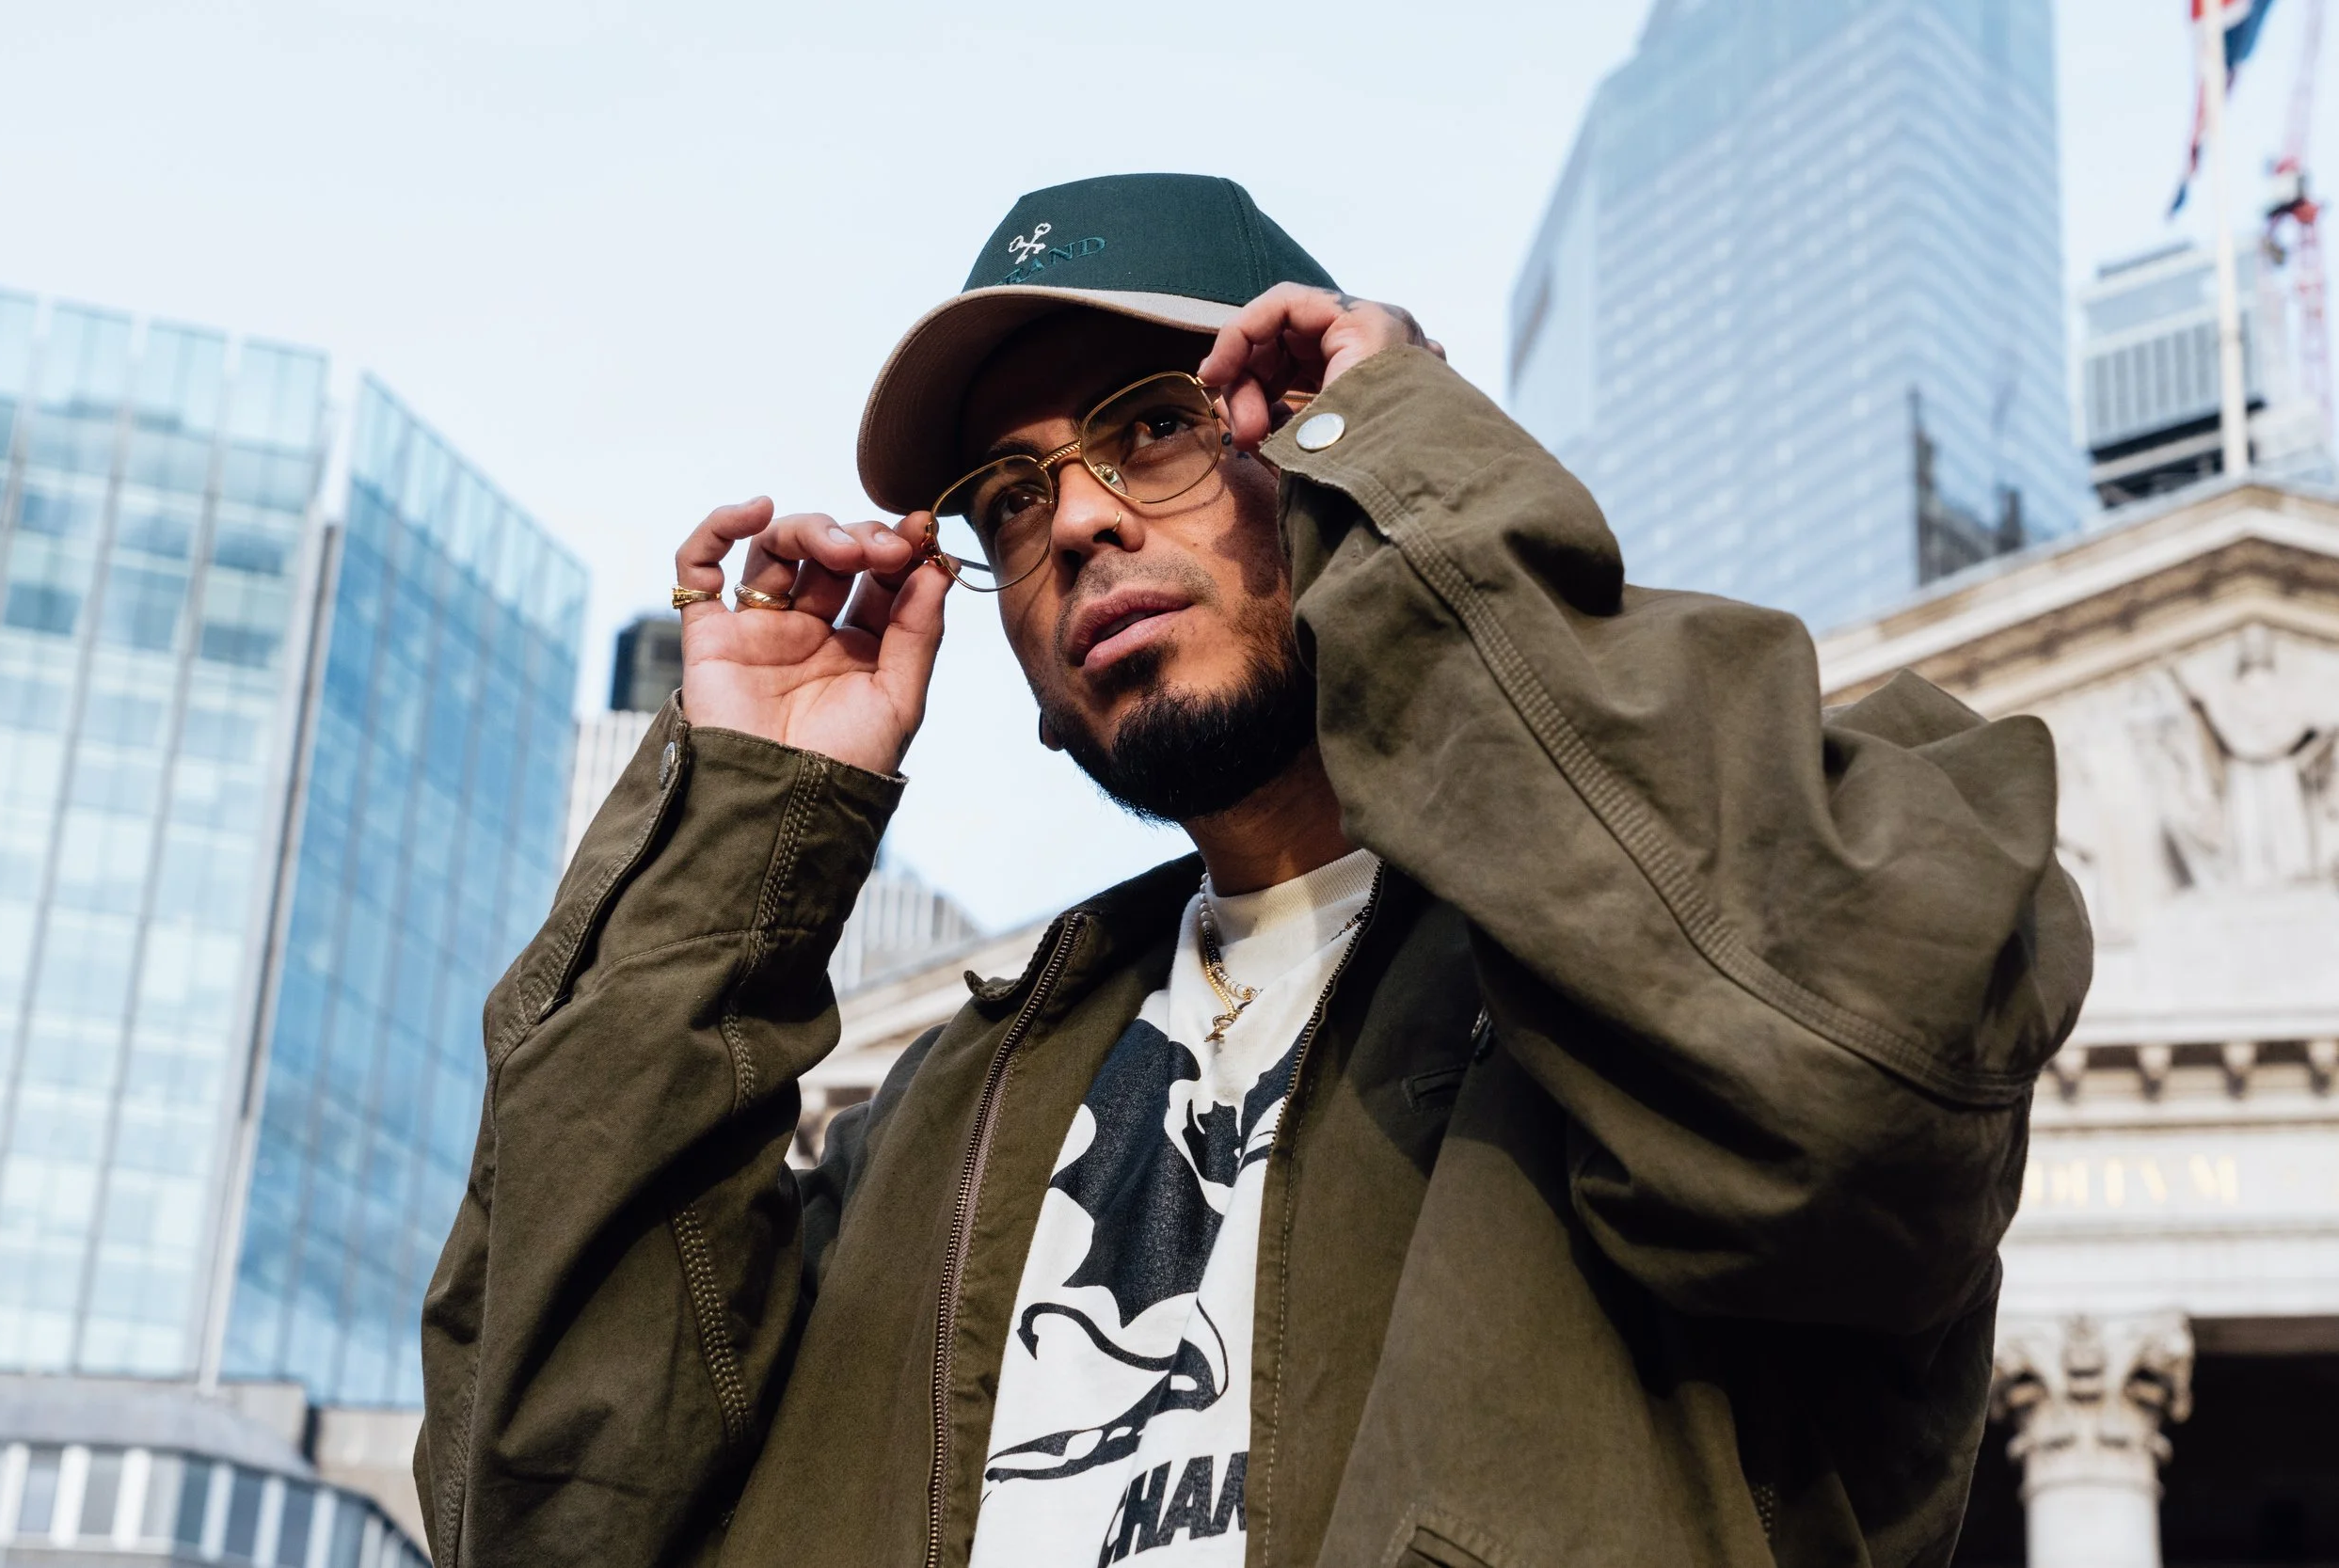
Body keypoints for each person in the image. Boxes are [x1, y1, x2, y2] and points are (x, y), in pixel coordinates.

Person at [415, 173, 2091, 1568]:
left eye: (1151, 430)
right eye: (1006, 500)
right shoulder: (929, 1120)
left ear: (1321, 434)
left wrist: (1415, 480)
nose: (1070, 526)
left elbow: (1852, 1081)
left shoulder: (1646, 970)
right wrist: (747, 807)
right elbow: (543, 1505)